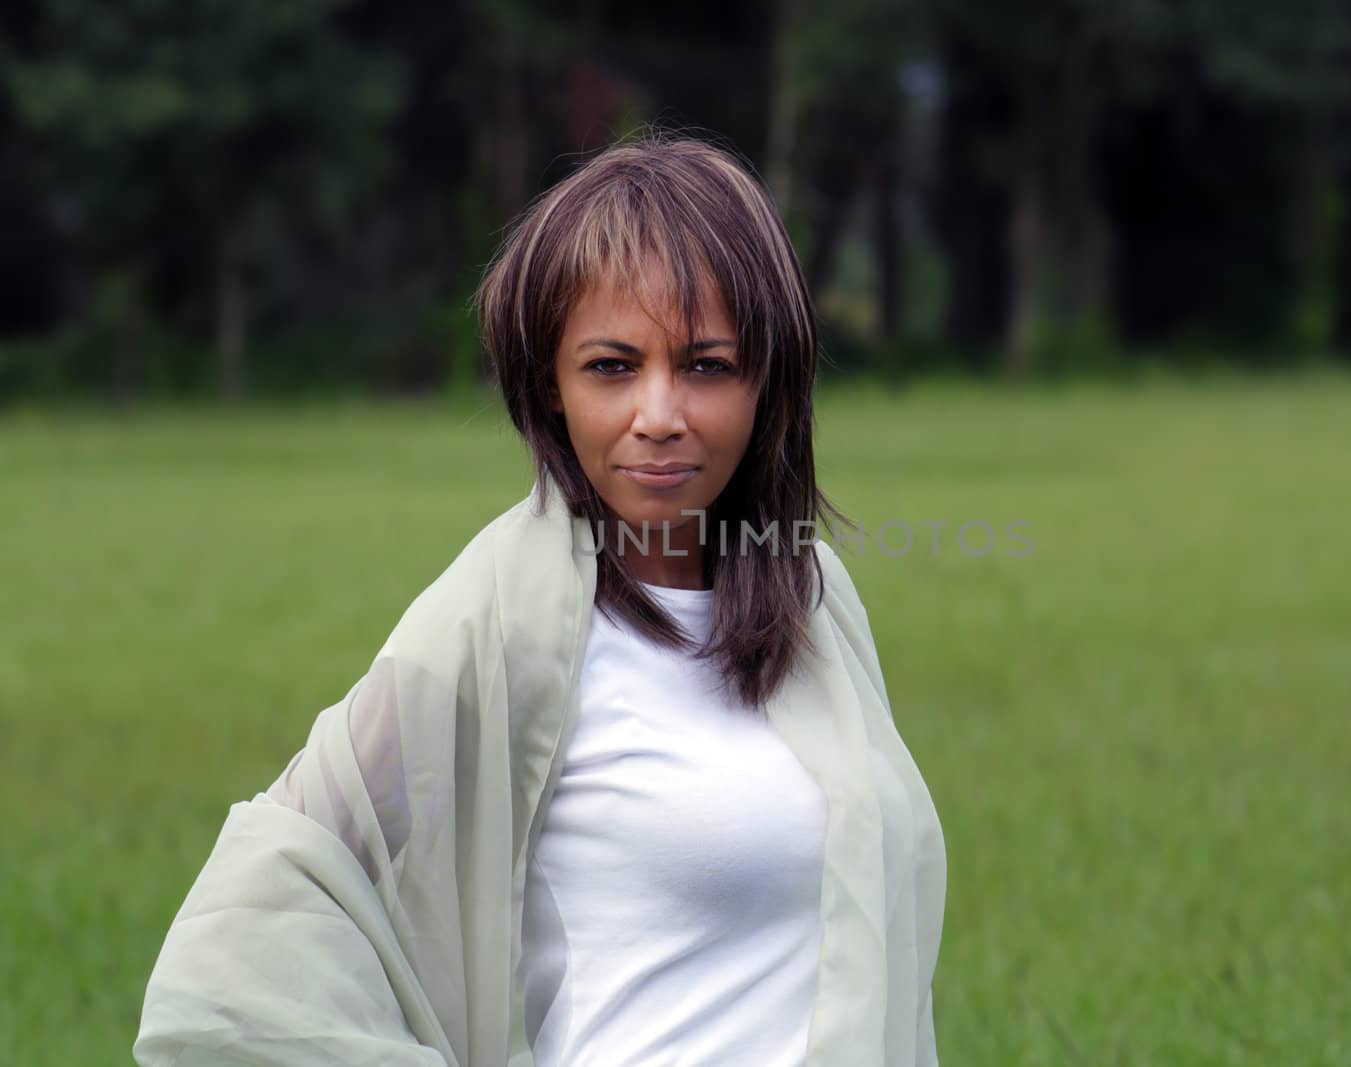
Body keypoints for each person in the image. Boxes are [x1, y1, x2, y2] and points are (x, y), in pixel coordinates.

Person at [134, 133, 947, 1067]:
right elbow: (250, 941)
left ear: (770, 379)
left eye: (706, 364)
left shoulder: (810, 599)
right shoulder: (502, 620)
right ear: (550, 387)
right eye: (611, 366)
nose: (659, 413)